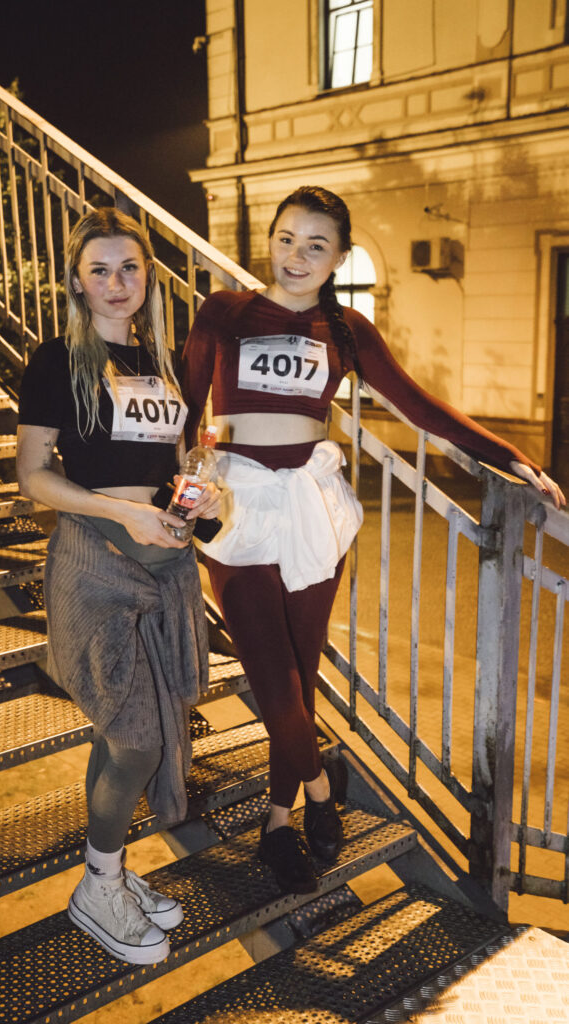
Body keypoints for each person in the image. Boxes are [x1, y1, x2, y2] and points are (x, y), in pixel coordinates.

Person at [182, 185, 566, 896]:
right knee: (275, 684)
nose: (297, 256)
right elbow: (183, 402)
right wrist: (173, 489)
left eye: (316, 246)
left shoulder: (347, 328)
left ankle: (278, 823)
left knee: (300, 674)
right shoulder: (224, 311)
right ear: (271, 239)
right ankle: (321, 788)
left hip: (311, 508)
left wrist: (512, 457)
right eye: (287, 238)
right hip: (236, 506)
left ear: (338, 257)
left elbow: (418, 405)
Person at [16, 207, 220, 965]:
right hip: (96, 563)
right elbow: (34, 476)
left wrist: (196, 499)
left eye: (128, 267)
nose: (115, 282)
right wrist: (121, 513)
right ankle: (98, 889)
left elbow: (170, 465)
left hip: (166, 567)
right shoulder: (55, 361)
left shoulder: (163, 362)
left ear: (147, 276)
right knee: (135, 740)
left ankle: (109, 871)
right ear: (77, 282)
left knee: (124, 734)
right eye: (98, 270)